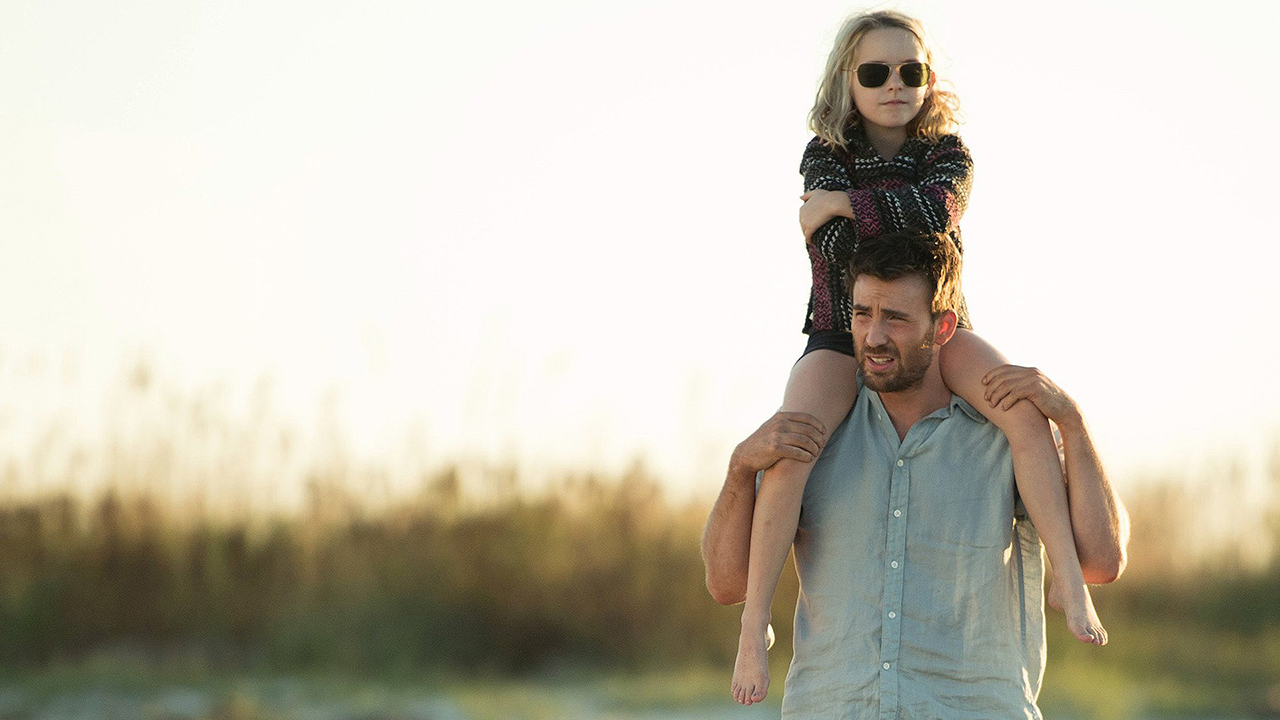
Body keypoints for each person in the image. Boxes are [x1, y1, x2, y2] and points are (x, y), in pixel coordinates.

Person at [731, 10, 1107, 706]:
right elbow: (845, 260)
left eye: (912, 71)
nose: (895, 84)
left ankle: (1068, 582)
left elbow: (938, 213)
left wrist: (850, 205)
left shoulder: (948, 151)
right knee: (792, 447)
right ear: (850, 81)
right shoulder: (823, 154)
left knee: (1023, 413)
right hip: (836, 328)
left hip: (937, 321)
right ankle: (754, 627)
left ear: (930, 81)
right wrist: (877, 214)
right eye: (876, 72)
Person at [703, 230, 1130, 716]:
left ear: (943, 328)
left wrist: (1073, 423)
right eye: (863, 314)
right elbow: (725, 584)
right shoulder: (812, 434)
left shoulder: (1006, 436)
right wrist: (739, 468)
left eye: (897, 319)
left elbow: (1101, 561)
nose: (874, 336)